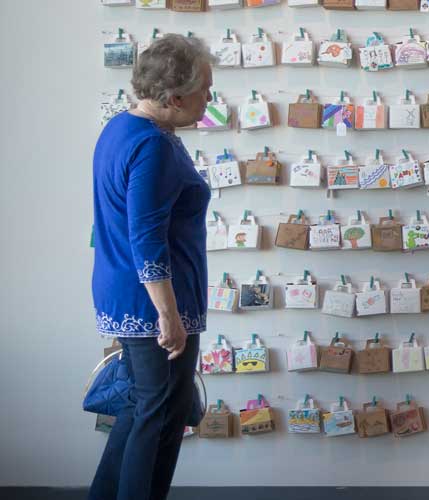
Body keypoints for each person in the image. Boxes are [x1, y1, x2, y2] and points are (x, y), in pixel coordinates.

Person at [91, 33, 214, 500]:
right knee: (158, 417)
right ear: (174, 96)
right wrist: (168, 315)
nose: (209, 98)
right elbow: (145, 236)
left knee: (145, 410)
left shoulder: (122, 129)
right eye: (204, 88)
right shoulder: (153, 147)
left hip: (129, 292)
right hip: (153, 305)